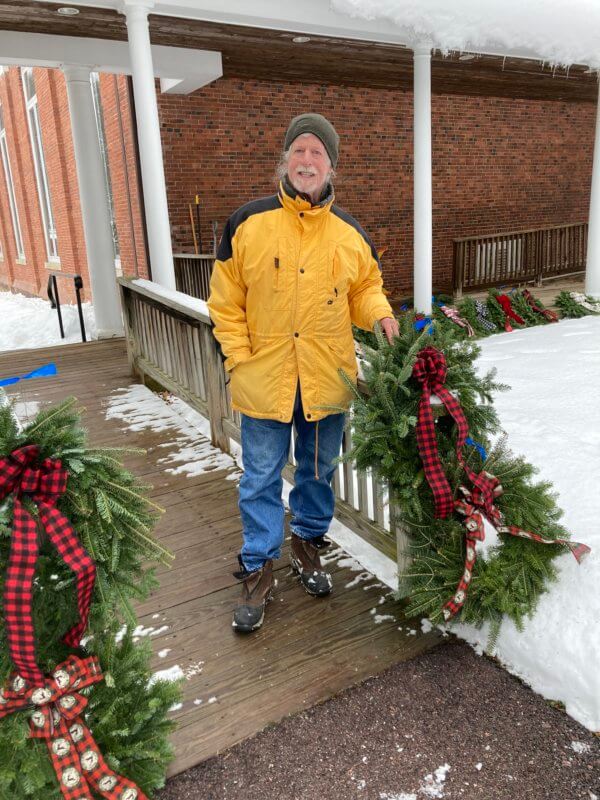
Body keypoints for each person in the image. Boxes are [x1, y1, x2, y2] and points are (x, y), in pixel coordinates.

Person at [207, 113, 399, 633]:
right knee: (261, 477)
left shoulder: (350, 233)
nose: (307, 161)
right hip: (265, 379)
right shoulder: (248, 223)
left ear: (331, 166)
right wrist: (240, 360)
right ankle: (258, 565)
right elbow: (225, 304)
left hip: (325, 378)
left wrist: (380, 314)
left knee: (317, 474)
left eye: (317, 153)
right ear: (285, 161)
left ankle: (308, 544)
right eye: (299, 151)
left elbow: (365, 289)